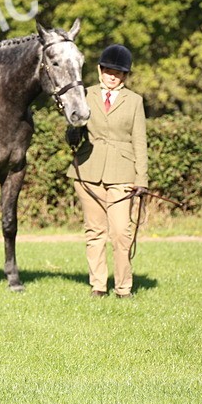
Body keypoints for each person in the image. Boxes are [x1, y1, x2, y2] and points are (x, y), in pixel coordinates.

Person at [65, 44, 148, 299]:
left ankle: (124, 288)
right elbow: (73, 131)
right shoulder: (85, 94)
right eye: (109, 71)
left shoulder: (134, 101)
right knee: (94, 231)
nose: (113, 76)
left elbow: (140, 141)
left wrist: (141, 178)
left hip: (123, 173)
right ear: (100, 70)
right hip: (88, 170)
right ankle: (98, 285)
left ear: (124, 75)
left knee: (122, 233)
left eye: (118, 72)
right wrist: (71, 131)